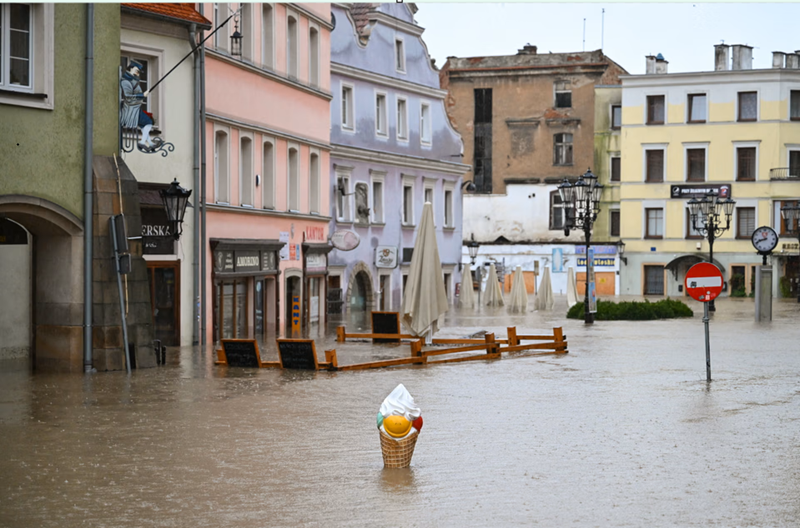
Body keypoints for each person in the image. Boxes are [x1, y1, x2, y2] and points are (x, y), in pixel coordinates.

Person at [120, 60, 158, 150]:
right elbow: (128, 96)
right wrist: (142, 95)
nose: (138, 73)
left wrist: (143, 95)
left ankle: (150, 143)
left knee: (143, 125)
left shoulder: (132, 80)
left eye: (139, 72)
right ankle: (142, 142)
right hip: (130, 109)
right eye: (136, 70)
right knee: (148, 122)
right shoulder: (125, 81)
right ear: (131, 68)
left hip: (135, 108)